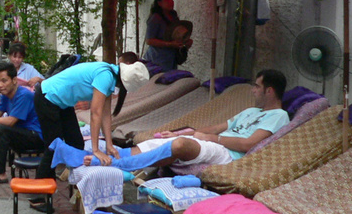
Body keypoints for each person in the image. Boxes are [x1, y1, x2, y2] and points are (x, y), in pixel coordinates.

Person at [33, 53, 150, 197]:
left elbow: (105, 115)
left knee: (75, 142)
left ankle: (75, 185)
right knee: (54, 147)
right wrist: (95, 149)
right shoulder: (105, 76)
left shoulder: (110, 75)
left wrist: (109, 144)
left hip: (62, 102)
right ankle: (37, 194)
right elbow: (95, 114)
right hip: (48, 97)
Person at [122, 69, 289, 170]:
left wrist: (212, 139)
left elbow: (248, 144)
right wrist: (191, 133)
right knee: (164, 140)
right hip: (216, 142)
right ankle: (114, 156)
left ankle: (119, 166)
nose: (253, 91)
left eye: (257, 87)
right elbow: (218, 127)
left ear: (269, 91)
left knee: (180, 144)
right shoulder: (251, 110)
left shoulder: (279, 116)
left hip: (230, 154)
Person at [143, 0, 193, 71]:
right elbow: (149, 40)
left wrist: (185, 42)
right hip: (157, 61)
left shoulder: (173, 15)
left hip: (170, 59)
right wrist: (169, 44)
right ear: (159, 3)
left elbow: (176, 35)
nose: (171, 2)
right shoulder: (155, 18)